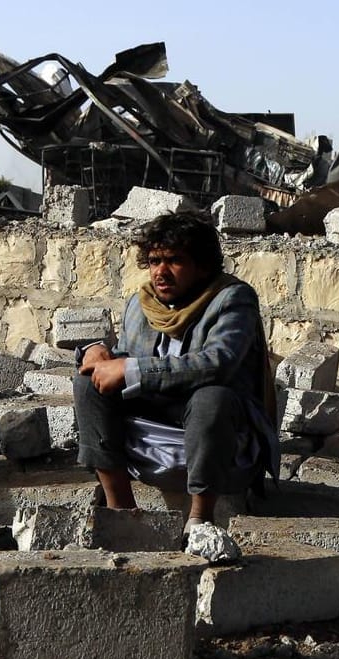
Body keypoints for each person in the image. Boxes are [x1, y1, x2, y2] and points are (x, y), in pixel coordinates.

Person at [73, 211, 280, 530]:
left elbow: (218, 363)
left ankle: (200, 520)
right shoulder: (141, 304)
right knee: (89, 383)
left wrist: (131, 370)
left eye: (174, 260)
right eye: (155, 261)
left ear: (203, 265)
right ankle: (121, 510)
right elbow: (125, 357)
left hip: (217, 435)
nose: (161, 272)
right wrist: (94, 353)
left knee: (213, 397)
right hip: (151, 425)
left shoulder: (232, 299)